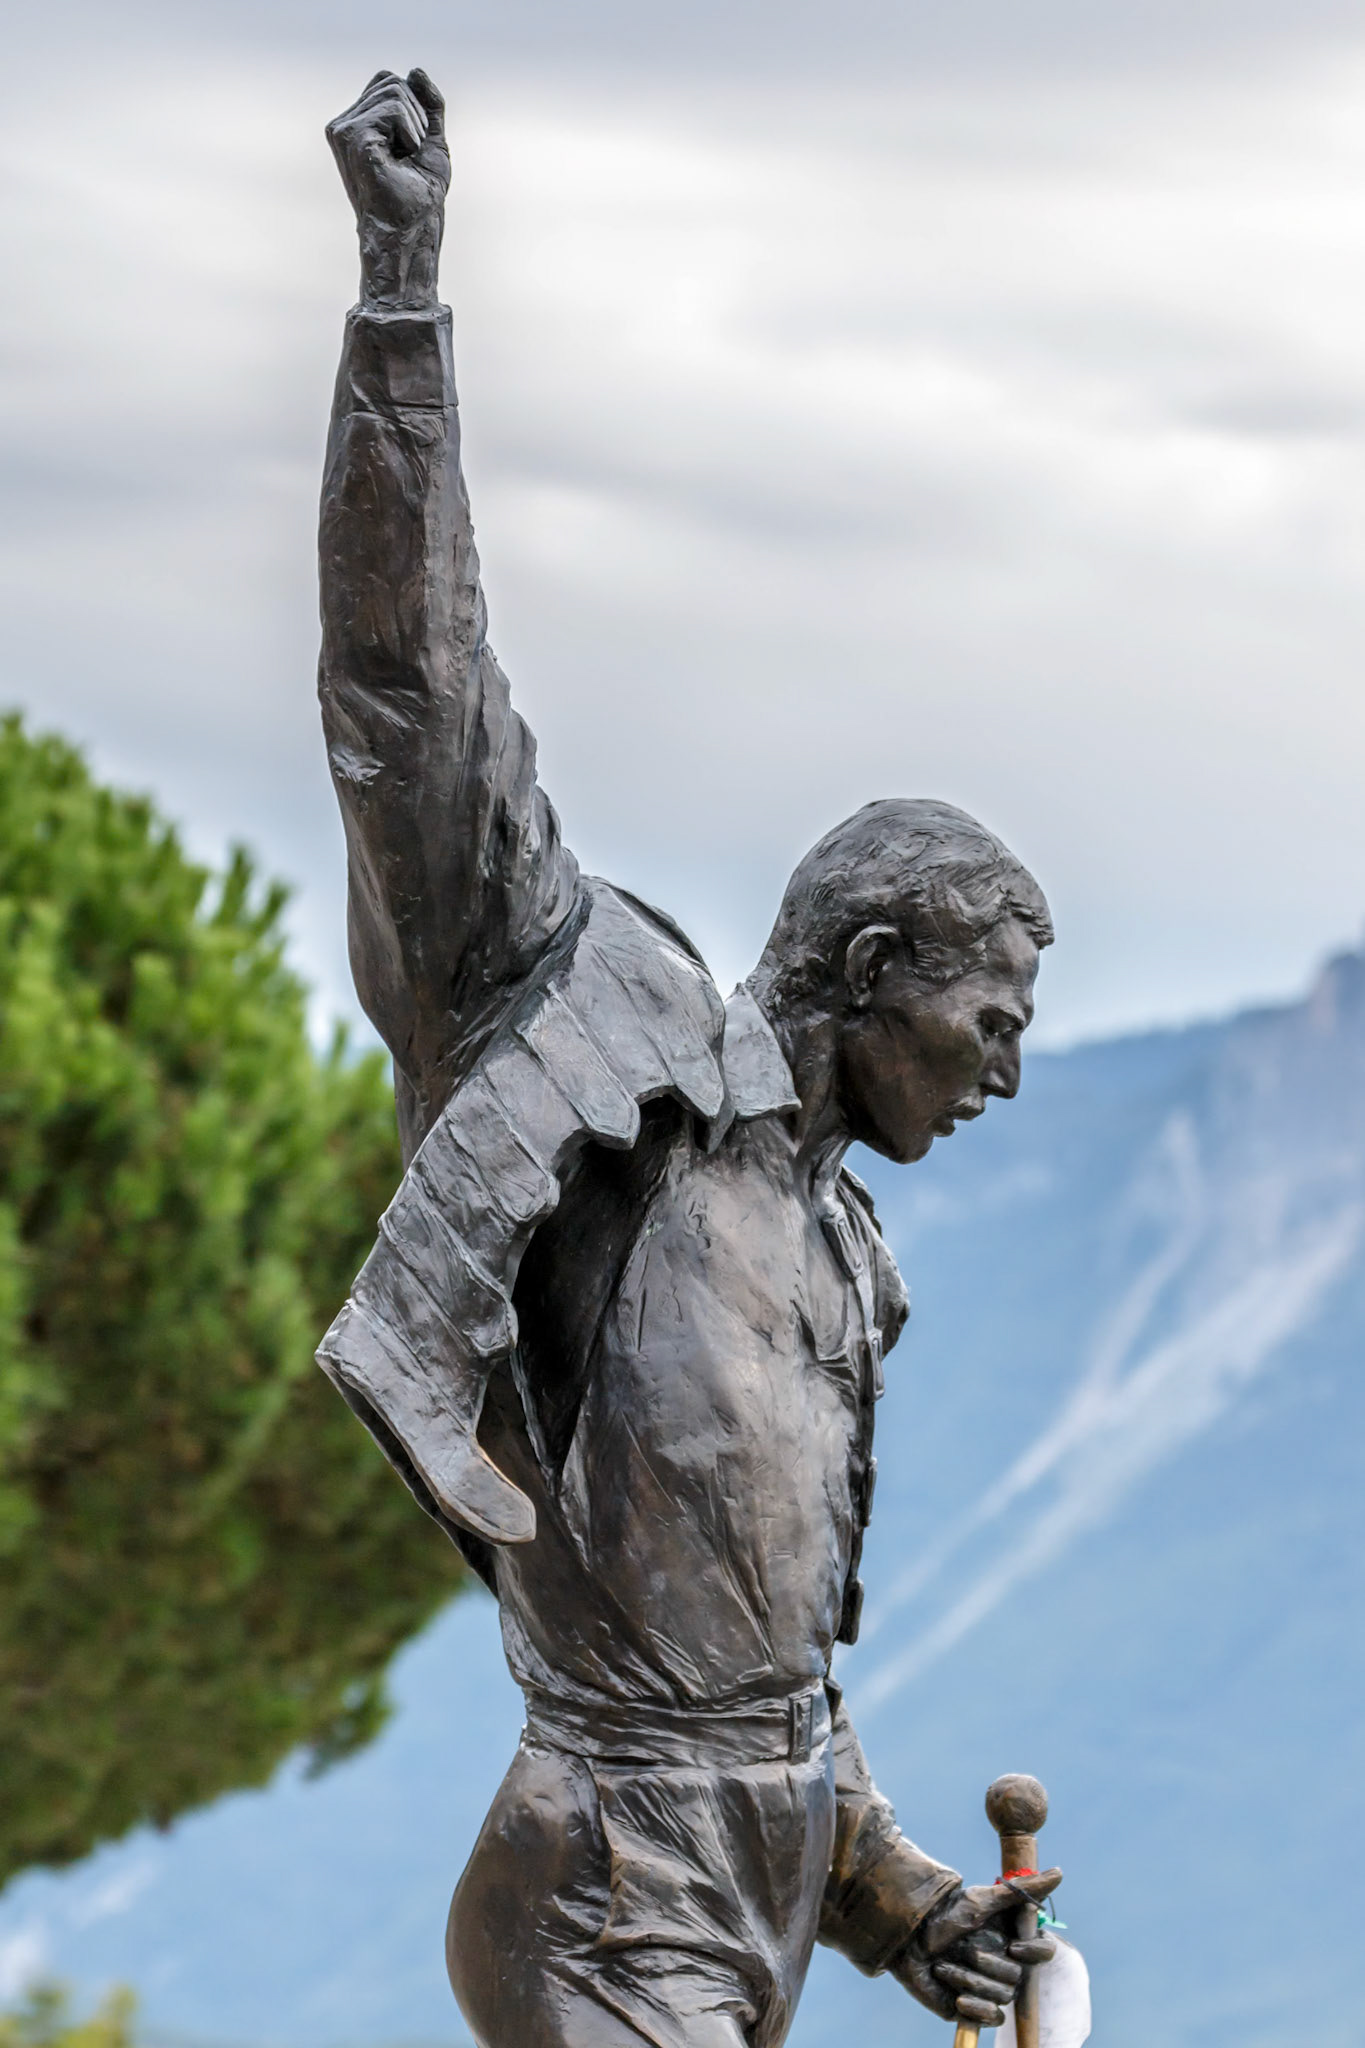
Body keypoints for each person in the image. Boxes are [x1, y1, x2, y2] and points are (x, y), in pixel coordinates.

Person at [317, 67, 1060, 2048]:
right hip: (598, 1896)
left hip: (744, 1890)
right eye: (987, 1016)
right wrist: (401, 299)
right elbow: (415, 702)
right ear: (874, 965)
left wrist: (895, 1901)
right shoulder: (591, 1050)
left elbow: (756, 1678)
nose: (1003, 1071)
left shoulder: (834, 1253)